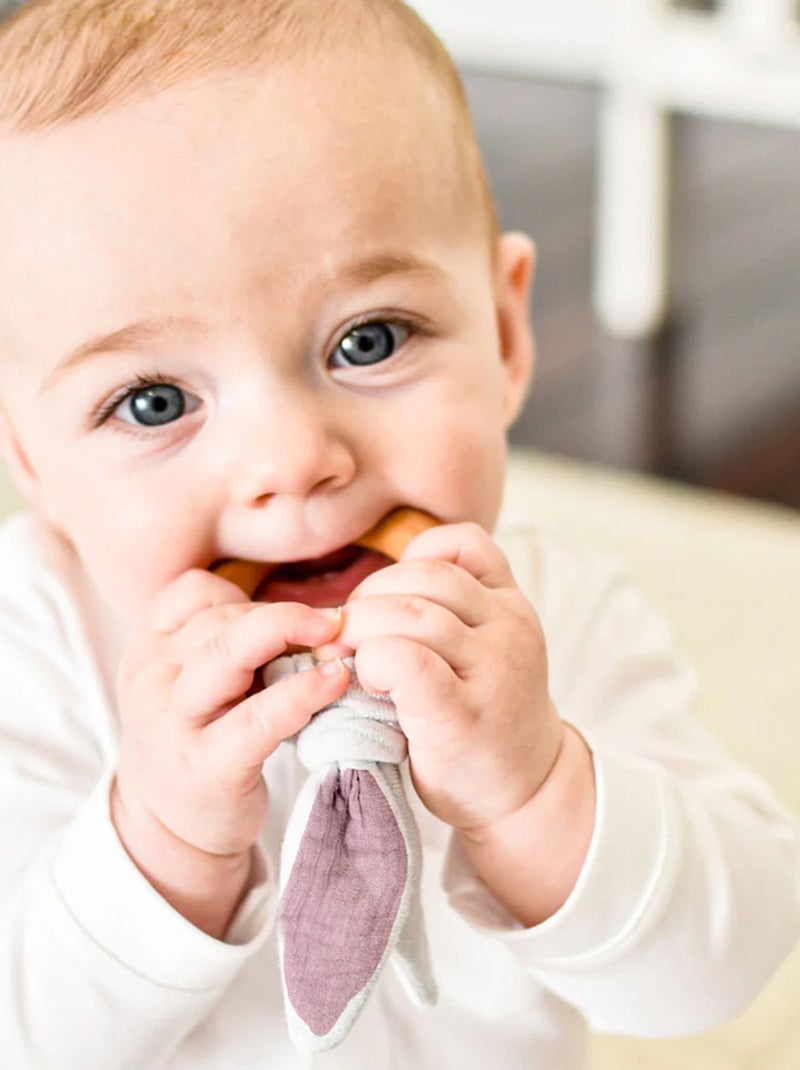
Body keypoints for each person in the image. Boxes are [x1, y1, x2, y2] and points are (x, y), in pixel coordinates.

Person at [0, 0, 797, 1067]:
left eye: (366, 339)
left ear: (507, 333)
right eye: (151, 401)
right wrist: (161, 841)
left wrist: (534, 790)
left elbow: (720, 967)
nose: (292, 460)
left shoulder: (547, 616)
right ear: (34, 463)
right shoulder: (33, 650)